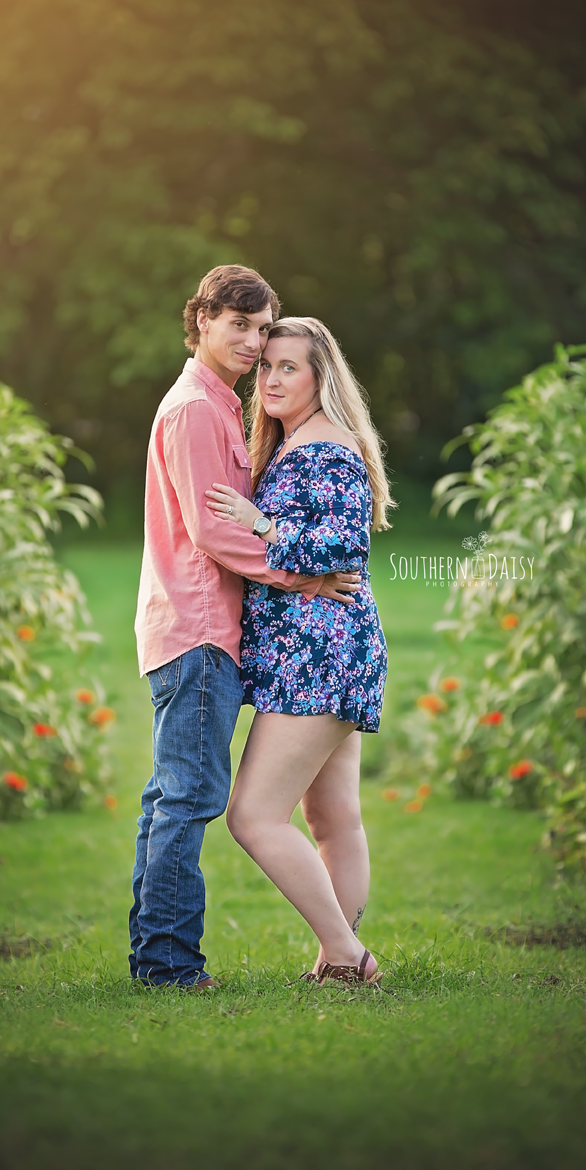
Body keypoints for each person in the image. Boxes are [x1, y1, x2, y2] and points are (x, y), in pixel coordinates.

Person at [130, 268, 360, 989]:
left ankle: (167, 960)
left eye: (263, 330)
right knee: (190, 800)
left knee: (175, 798)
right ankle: (169, 966)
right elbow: (211, 533)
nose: (253, 343)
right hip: (199, 630)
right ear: (201, 320)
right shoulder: (197, 410)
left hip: (210, 633)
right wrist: (304, 577)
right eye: (241, 325)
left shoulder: (220, 405)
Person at [206, 316, 393, 985]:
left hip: (321, 653)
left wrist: (259, 521)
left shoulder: (326, 448)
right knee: (333, 818)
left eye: (291, 367)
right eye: (268, 366)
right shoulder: (290, 446)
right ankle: (337, 964)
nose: (274, 379)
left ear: (321, 377)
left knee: (254, 815)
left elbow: (346, 547)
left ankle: (348, 955)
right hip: (316, 650)